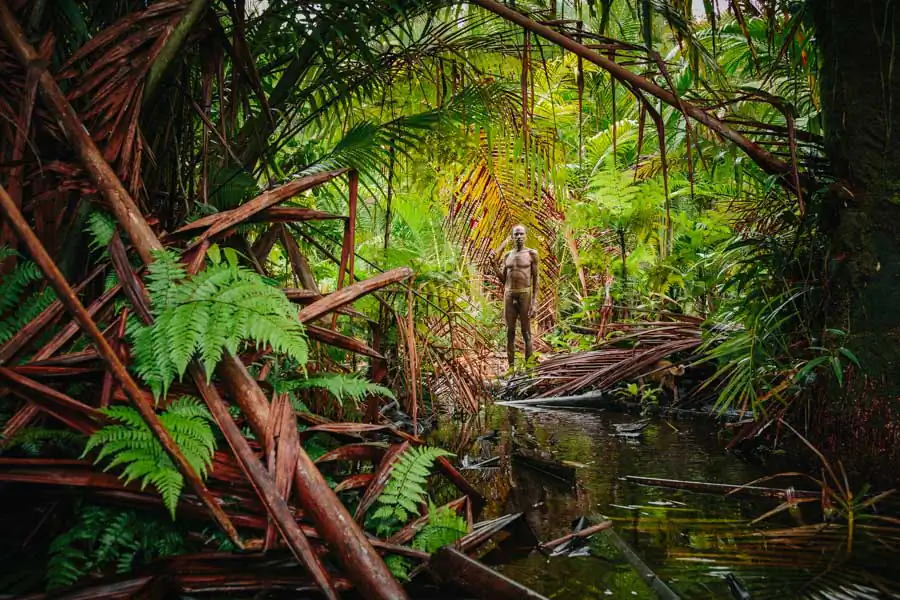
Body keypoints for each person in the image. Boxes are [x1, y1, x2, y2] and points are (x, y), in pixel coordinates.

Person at [499, 224, 539, 368]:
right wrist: (493, 266)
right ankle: (511, 369)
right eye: (516, 234)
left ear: (525, 236)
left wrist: (534, 302)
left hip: (525, 293)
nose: (519, 237)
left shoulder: (531, 254)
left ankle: (529, 368)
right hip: (509, 293)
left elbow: (536, 279)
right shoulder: (507, 255)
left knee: (526, 331)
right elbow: (504, 279)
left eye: (521, 234)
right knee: (510, 331)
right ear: (512, 237)